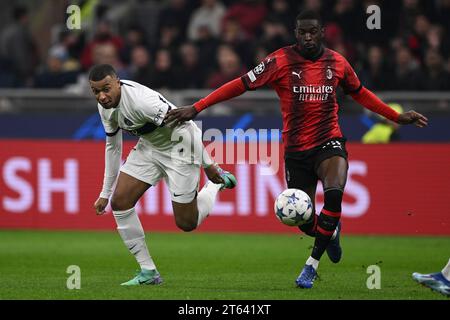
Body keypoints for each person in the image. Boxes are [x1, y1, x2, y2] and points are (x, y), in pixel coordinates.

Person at [165, 10, 428, 289]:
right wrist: (197, 107)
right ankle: (331, 232)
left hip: (329, 141)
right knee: (303, 220)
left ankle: (311, 266)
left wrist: (395, 116)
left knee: (335, 194)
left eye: (312, 31)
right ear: (295, 33)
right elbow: (240, 84)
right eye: (302, 32)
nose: (307, 37)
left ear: (322, 32)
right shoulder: (279, 61)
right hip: (296, 151)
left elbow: (360, 92)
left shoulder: (337, 63)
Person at [89, 64, 236, 286]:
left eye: (106, 89)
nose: (102, 96)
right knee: (120, 202)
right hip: (150, 147)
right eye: (96, 91)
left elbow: (184, 128)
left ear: (117, 82)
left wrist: (209, 166)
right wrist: (105, 193)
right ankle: (148, 272)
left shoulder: (141, 101)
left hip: (181, 147)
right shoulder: (105, 107)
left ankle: (213, 186)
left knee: (187, 223)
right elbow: (113, 147)